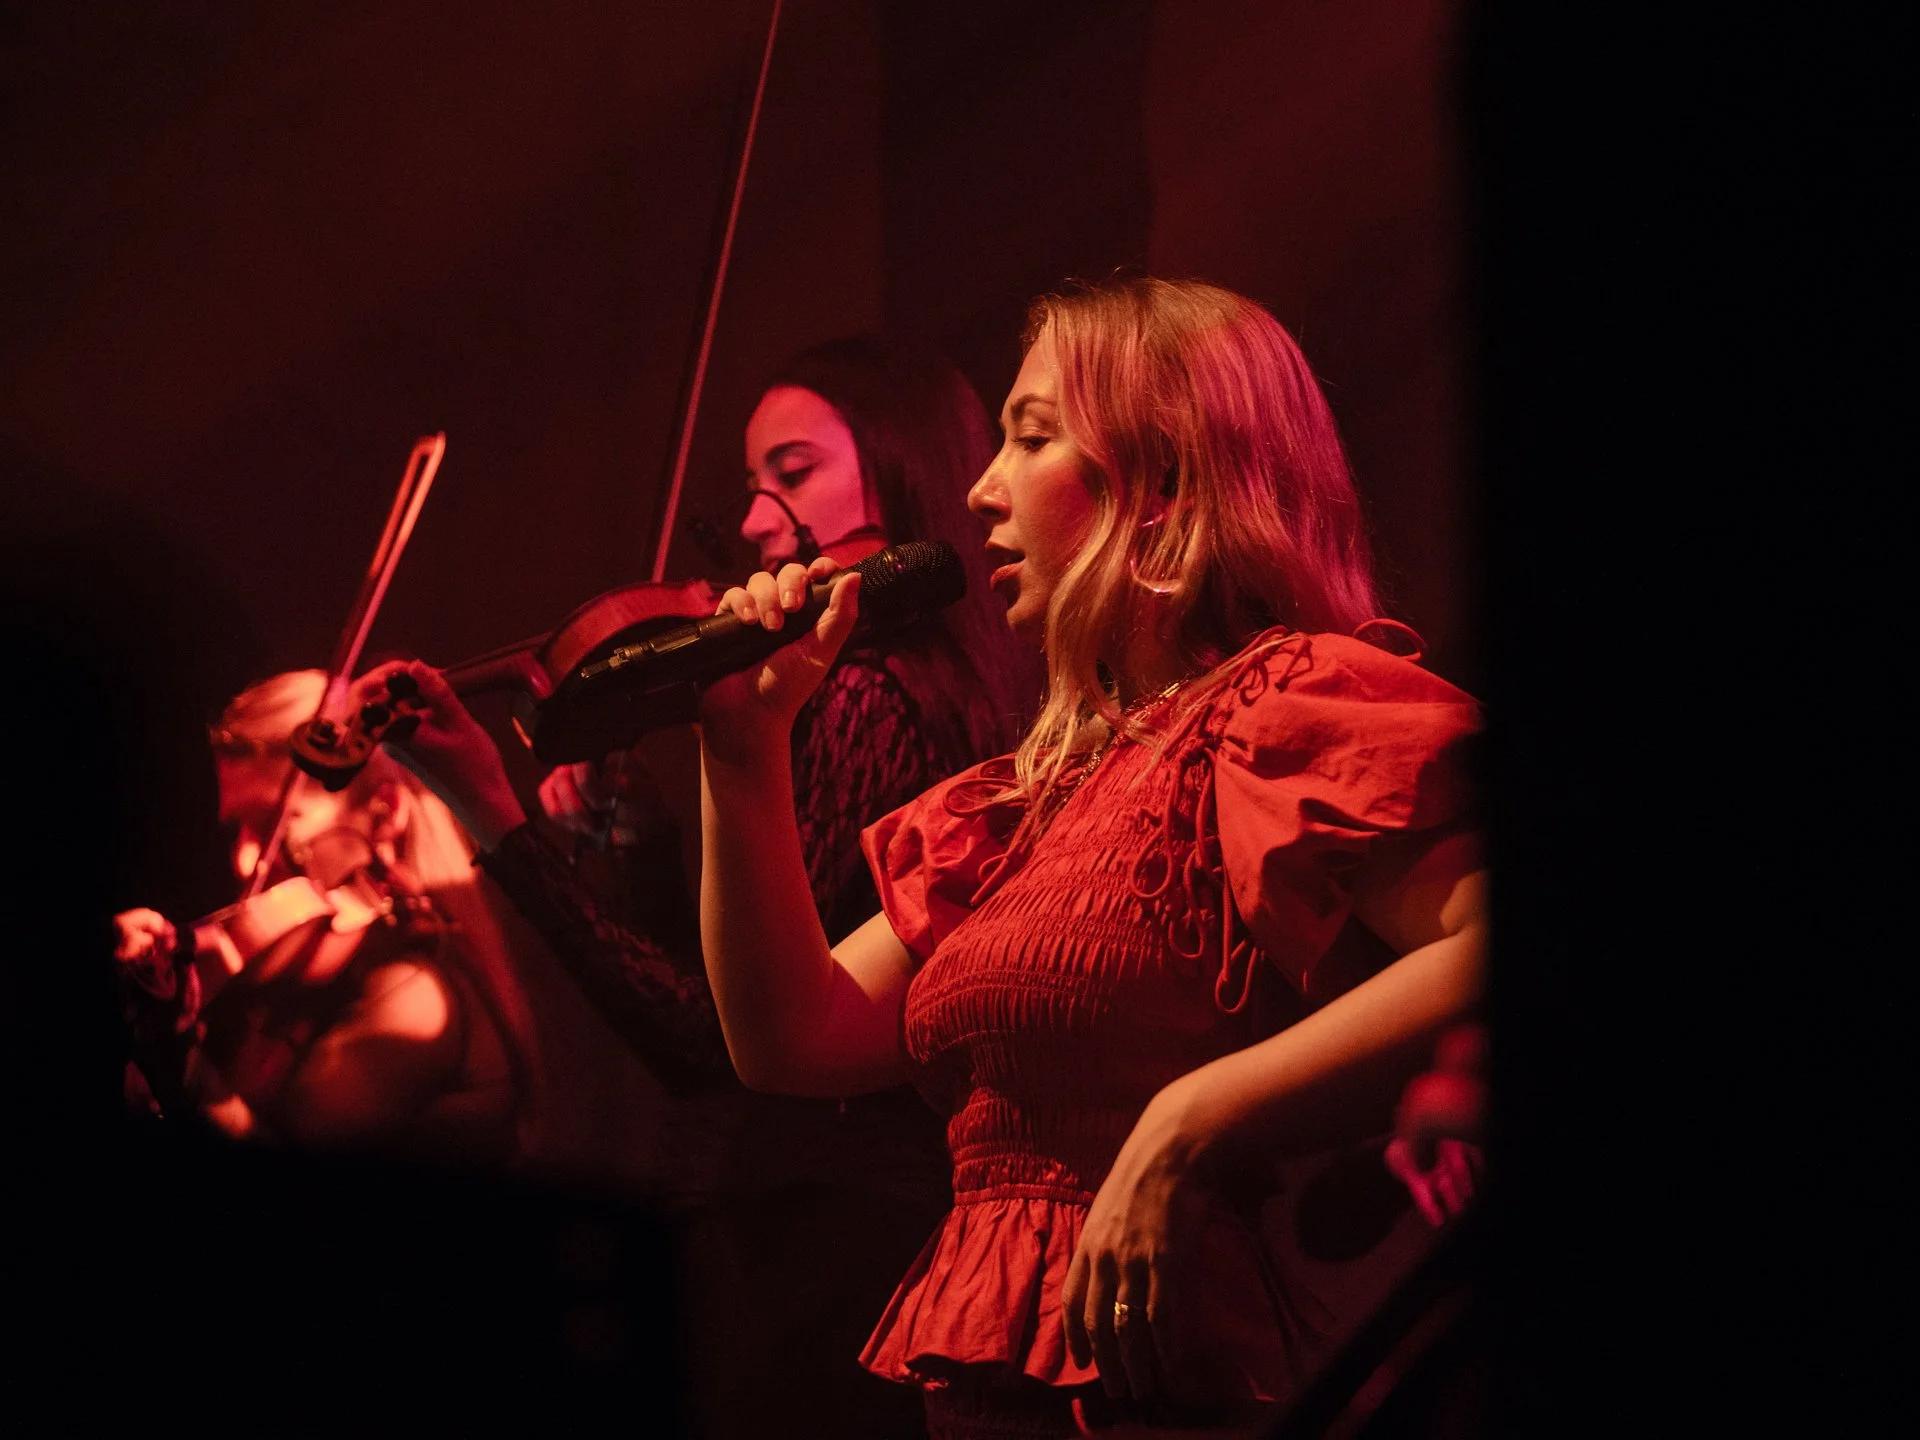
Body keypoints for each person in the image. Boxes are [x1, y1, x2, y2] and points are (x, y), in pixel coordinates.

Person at [694, 277, 1487, 1436]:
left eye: (1031, 438)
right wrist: (743, 742)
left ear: (1163, 481)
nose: (979, 489)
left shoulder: (1283, 703)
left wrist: (1190, 1121)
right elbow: (789, 1038)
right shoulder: (1020, 800)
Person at [356, 334, 1036, 1439]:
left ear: (901, 466)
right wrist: (636, 850)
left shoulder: (868, 697)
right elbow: (721, 991)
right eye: (754, 483)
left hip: (821, 1235)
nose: (760, 520)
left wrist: (497, 813)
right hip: (839, 1219)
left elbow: (710, 1044)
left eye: (794, 471)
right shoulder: (935, 690)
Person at [111, 669, 539, 1164]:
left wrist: (176, 1056)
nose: (245, 861)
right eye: (236, 830)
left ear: (384, 813)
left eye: (276, 825)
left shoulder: (416, 998)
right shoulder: (295, 983)